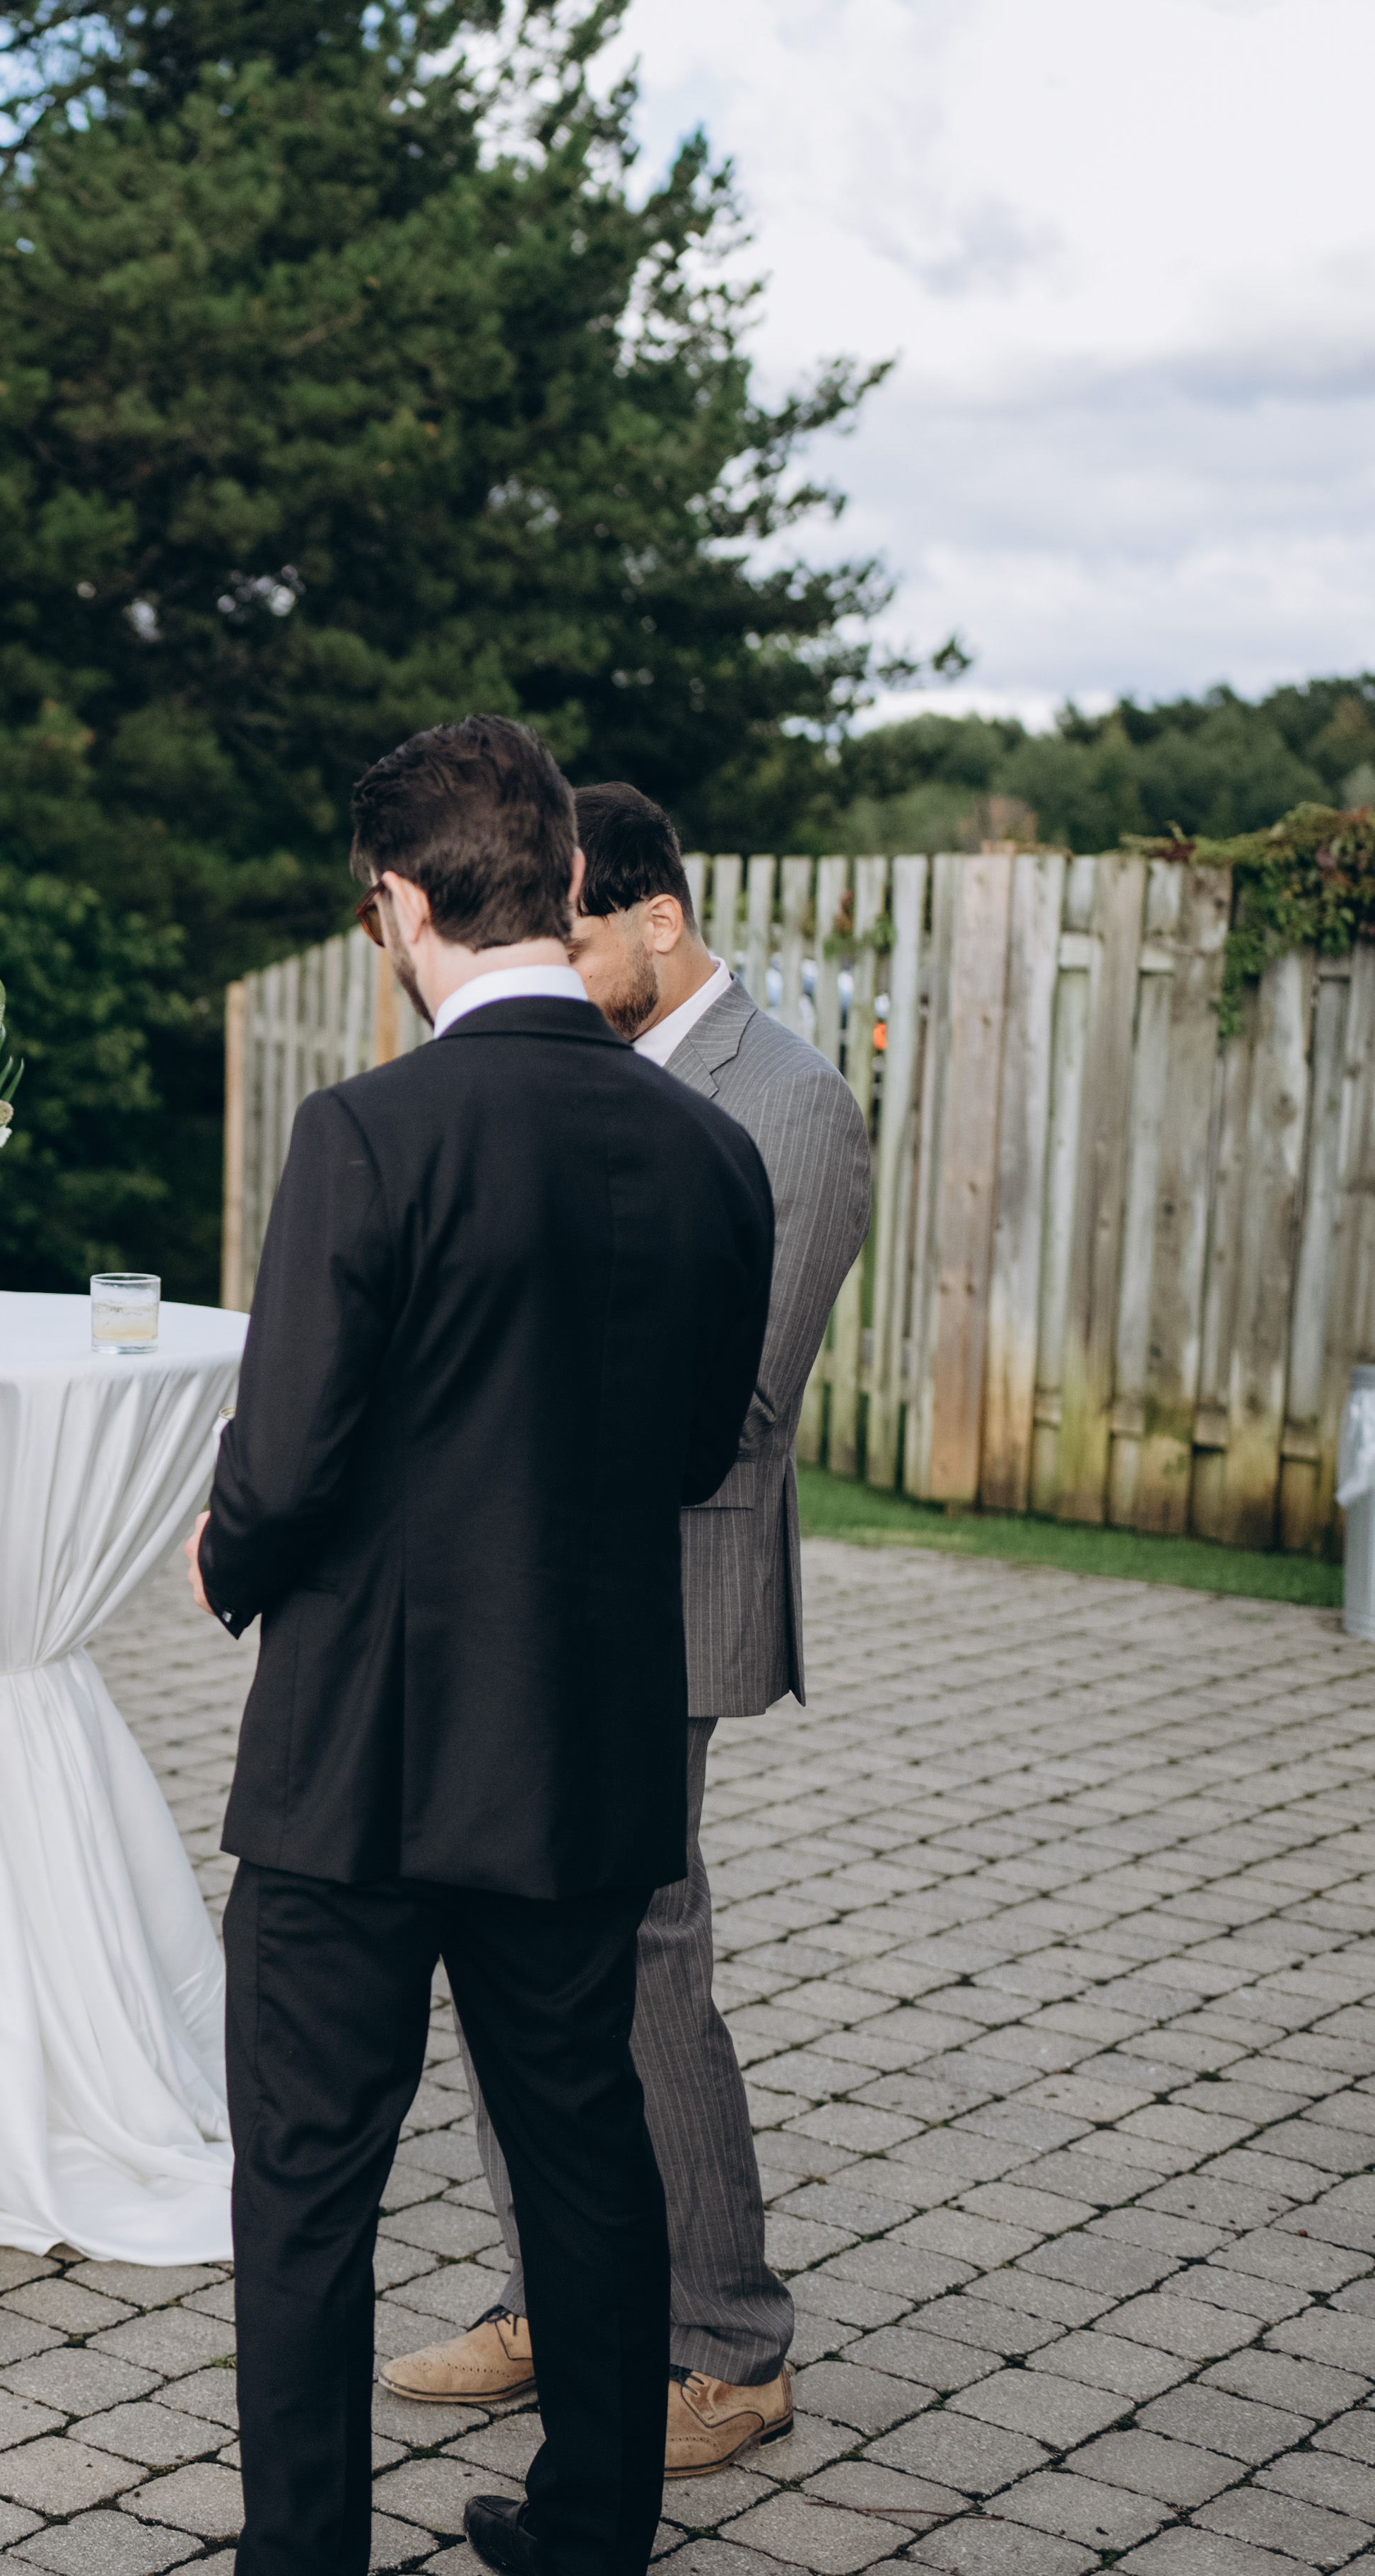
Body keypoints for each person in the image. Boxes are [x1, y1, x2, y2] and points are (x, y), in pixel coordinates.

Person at [188, 718, 771, 2576]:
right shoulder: (708, 1149)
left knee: (306, 2185)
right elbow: (690, 1449)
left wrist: (223, 1550)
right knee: (584, 2146)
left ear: (395, 903)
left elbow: (282, 1462)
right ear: (568, 883)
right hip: (584, 1745)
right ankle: (594, 2546)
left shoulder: (365, 1132)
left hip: (356, 1760)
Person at [382, 782, 874, 2475]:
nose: (542, 958)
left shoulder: (788, 1103)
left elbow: (737, 1401)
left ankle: (727, 2344)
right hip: (514, 1581)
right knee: (505, 1932)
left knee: (642, 1953)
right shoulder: (553, 1067)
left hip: (666, 1591)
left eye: (569, 928)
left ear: (658, 919)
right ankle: (558, 2300)